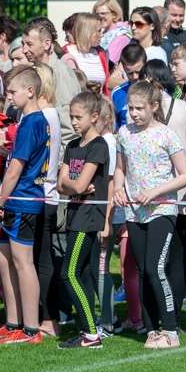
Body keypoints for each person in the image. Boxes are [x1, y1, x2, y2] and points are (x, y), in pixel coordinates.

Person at [115, 79, 186, 349]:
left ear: (154, 107)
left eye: (139, 108)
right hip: (134, 211)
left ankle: (170, 330)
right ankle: (151, 330)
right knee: (141, 269)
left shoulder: (166, 135)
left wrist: (156, 192)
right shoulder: (124, 133)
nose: (134, 114)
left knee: (155, 268)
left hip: (162, 209)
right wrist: (117, 188)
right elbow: (121, 169)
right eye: (130, 108)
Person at [0, 66, 53, 344]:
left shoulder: (33, 122)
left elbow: (16, 167)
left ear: (30, 91)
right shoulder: (27, 121)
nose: (9, 97)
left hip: (24, 199)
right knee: (3, 258)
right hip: (13, 198)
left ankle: (30, 329)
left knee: (23, 262)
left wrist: (0, 199)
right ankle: (12, 322)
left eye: (13, 91)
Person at [59, 91, 112, 349]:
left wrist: (75, 185)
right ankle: (87, 330)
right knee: (82, 275)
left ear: (94, 116)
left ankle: (92, 333)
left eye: (78, 117)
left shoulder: (99, 146)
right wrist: (75, 186)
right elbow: (62, 184)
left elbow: (79, 182)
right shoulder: (72, 146)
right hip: (74, 213)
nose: (74, 121)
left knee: (69, 273)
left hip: (88, 217)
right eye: (71, 116)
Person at [21, 19, 79, 144]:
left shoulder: (61, 74)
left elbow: (68, 126)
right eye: (23, 44)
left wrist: (60, 162)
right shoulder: (34, 71)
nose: (24, 50)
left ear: (46, 44)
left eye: (30, 44)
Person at [62, 13, 111, 88]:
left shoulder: (101, 54)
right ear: (87, 31)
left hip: (98, 99)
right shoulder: (65, 53)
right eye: (99, 30)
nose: (102, 35)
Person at [92, 0, 132, 66]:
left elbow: (109, 62)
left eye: (103, 13)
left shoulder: (121, 35)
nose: (99, 17)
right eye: (96, 14)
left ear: (114, 14)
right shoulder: (104, 33)